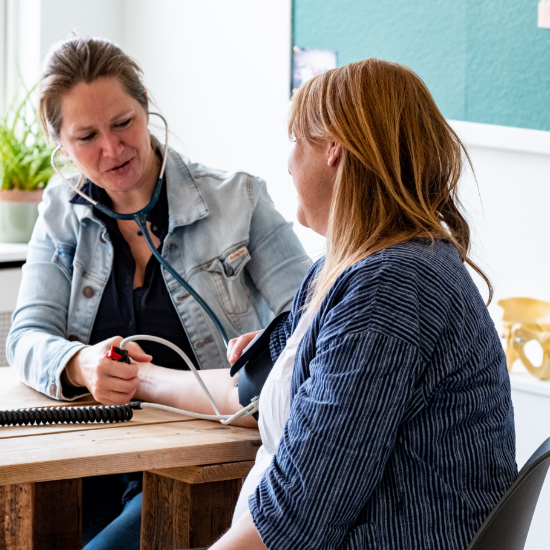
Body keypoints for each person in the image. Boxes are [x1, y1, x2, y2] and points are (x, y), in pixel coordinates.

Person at [134, 58, 518, 550]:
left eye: (296, 141)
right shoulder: (349, 268)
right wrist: (142, 380)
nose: (289, 162)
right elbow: (249, 391)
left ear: (334, 148)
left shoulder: (390, 288)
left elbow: (296, 518)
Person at [6, 36, 311, 550]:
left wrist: (263, 351)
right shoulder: (61, 212)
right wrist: (79, 364)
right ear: (60, 144)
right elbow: (26, 337)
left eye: (123, 123)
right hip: (93, 454)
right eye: (86, 136)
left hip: (198, 466)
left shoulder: (240, 199)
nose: (112, 148)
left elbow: (313, 325)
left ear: (145, 106)